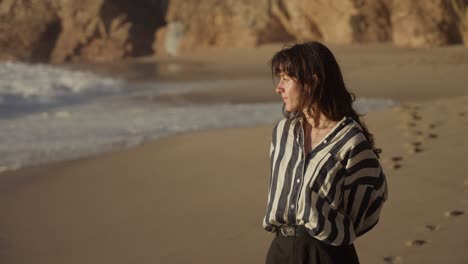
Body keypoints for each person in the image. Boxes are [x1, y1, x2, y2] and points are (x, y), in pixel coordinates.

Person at [263, 41, 388, 264]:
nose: (278, 88)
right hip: (280, 252)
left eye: (286, 79)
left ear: (312, 82)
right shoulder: (282, 133)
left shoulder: (350, 139)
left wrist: (332, 231)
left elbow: (370, 203)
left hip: (327, 255)